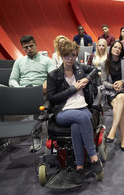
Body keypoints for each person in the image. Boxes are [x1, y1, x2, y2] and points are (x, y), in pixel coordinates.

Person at [46, 40, 102, 184]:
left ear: (76, 55)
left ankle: (79, 166)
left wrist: (86, 78)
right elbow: (51, 97)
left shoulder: (79, 68)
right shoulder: (54, 75)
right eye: (66, 55)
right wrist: (73, 89)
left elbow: (95, 70)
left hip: (83, 108)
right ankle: (93, 157)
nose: (70, 58)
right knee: (82, 119)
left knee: (77, 126)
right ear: (61, 55)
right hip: (63, 111)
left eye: (73, 55)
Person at [9, 35, 55, 152]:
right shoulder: (19, 62)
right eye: (26, 47)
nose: (29, 49)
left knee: (42, 105)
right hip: (23, 91)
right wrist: (19, 88)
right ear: (23, 48)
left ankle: (45, 136)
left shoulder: (47, 61)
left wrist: (43, 87)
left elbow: (52, 78)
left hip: (41, 91)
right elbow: (12, 79)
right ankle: (37, 136)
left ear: (36, 45)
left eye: (31, 46)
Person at [101, 41, 124, 152]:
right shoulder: (104, 63)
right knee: (123, 108)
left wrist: (121, 82)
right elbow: (103, 81)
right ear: (111, 49)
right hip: (112, 92)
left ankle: (112, 131)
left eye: (119, 48)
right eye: (115, 47)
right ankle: (123, 139)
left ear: (121, 51)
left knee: (121, 97)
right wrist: (113, 86)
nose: (117, 49)